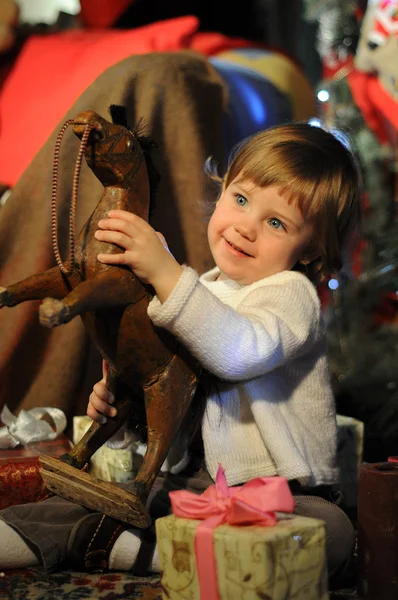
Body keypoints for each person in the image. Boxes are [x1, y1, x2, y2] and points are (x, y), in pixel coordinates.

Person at [0, 122, 361, 585]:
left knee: (327, 529)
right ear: (223, 188)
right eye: (241, 199)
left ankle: (143, 547)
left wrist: (166, 271)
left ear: (310, 249)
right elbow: (166, 388)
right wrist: (116, 404)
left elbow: (236, 351)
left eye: (276, 223)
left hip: (268, 491)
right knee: (73, 504)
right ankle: (103, 541)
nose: (246, 227)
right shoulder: (202, 289)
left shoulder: (290, 295)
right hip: (192, 481)